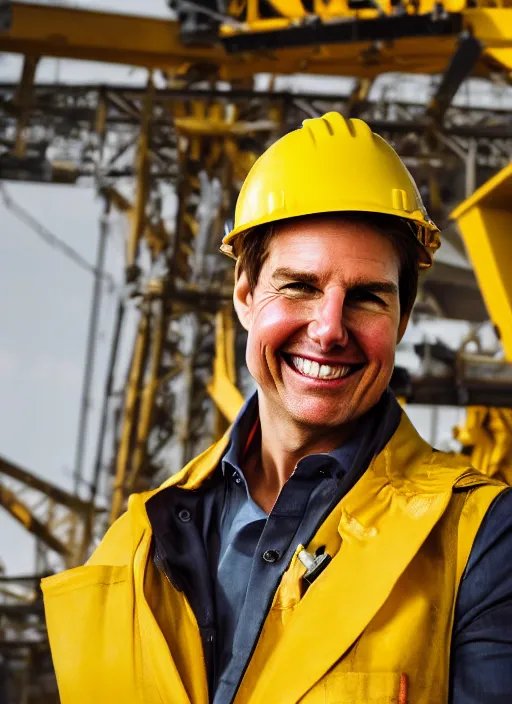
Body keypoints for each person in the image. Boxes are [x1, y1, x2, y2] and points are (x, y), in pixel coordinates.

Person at [42, 113, 512, 704]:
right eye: (300, 286)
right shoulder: (135, 546)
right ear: (244, 294)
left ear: (402, 320)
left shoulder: (485, 541)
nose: (329, 329)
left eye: (367, 298)